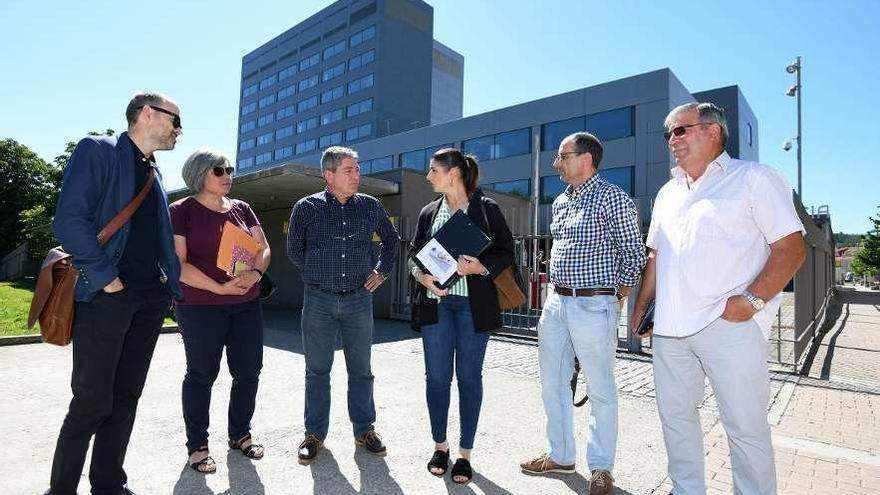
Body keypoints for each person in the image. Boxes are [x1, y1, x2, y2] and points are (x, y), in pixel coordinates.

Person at [630, 102, 805, 495]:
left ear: (713, 131)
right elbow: (655, 255)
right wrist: (641, 308)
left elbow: (791, 249)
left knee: (745, 426)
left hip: (729, 325)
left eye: (680, 130)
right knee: (676, 419)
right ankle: (685, 489)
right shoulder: (667, 193)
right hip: (670, 330)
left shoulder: (754, 178)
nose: (671, 140)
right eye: (668, 133)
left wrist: (750, 303)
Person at [47, 92, 184, 495]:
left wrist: (167, 286)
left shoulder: (154, 171)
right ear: (146, 113)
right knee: (91, 402)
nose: (179, 130)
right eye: (175, 120)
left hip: (148, 300)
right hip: (107, 295)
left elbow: (158, 235)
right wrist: (108, 278)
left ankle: (108, 484)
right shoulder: (99, 150)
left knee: (126, 397)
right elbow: (70, 220)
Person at [521, 132, 646, 495]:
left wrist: (616, 295)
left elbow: (634, 255)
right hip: (556, 302)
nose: (556, 163)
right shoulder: (561, 200)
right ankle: (560, 454)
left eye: (562, 156)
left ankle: (602, 468)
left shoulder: (613, 198)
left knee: (601, 389)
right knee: (551, 383)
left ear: (586, 158)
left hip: (594, 303)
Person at [286, 146, 399, 464]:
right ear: (329, 174)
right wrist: (317, 271)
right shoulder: (306, 208)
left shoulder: (370, 206)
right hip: (318, 299)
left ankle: (365, 430)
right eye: (349, 170)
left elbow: (391, 240)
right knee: (317, 372)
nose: (357, 175)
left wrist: (382, 270)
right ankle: (314, 435)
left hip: (359, 300)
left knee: (361, 371)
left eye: (358, 169)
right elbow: (295, 250)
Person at [409, 148, 516, 484]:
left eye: (433, 171)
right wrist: (422, 276)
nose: (428, 177)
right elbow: (414, 256)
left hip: (473, 308)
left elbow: (506, 252)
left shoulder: (486, 210)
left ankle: (464, 454)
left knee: (469, 379)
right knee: (437, 379)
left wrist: (479, 266)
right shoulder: (429, 212)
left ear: (452, 173)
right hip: (436, 305)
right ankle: (440, 446)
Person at [169, 149, 271, 474]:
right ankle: (197, 445)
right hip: (200, 307)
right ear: (200, 174)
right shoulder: (180, 210)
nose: (227, 174)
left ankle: (240, 433)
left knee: (248, 371)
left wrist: (255, 274)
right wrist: (219, 288)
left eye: (229, 169)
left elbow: (263, 248)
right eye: (219, 170)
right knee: (201, 374)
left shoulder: (242, 208)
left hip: (246, 304)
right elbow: (177, 264)